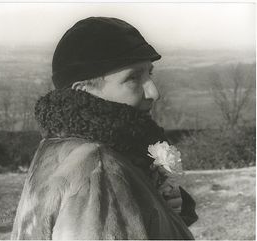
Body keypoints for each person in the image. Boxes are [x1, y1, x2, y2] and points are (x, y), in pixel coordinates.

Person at [11, 17, 198, 240]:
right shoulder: (96, 166)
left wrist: (162, 208)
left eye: (150, 73)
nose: (153, 92)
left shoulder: (59, 148)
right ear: (82, 92)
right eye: (133, 78)